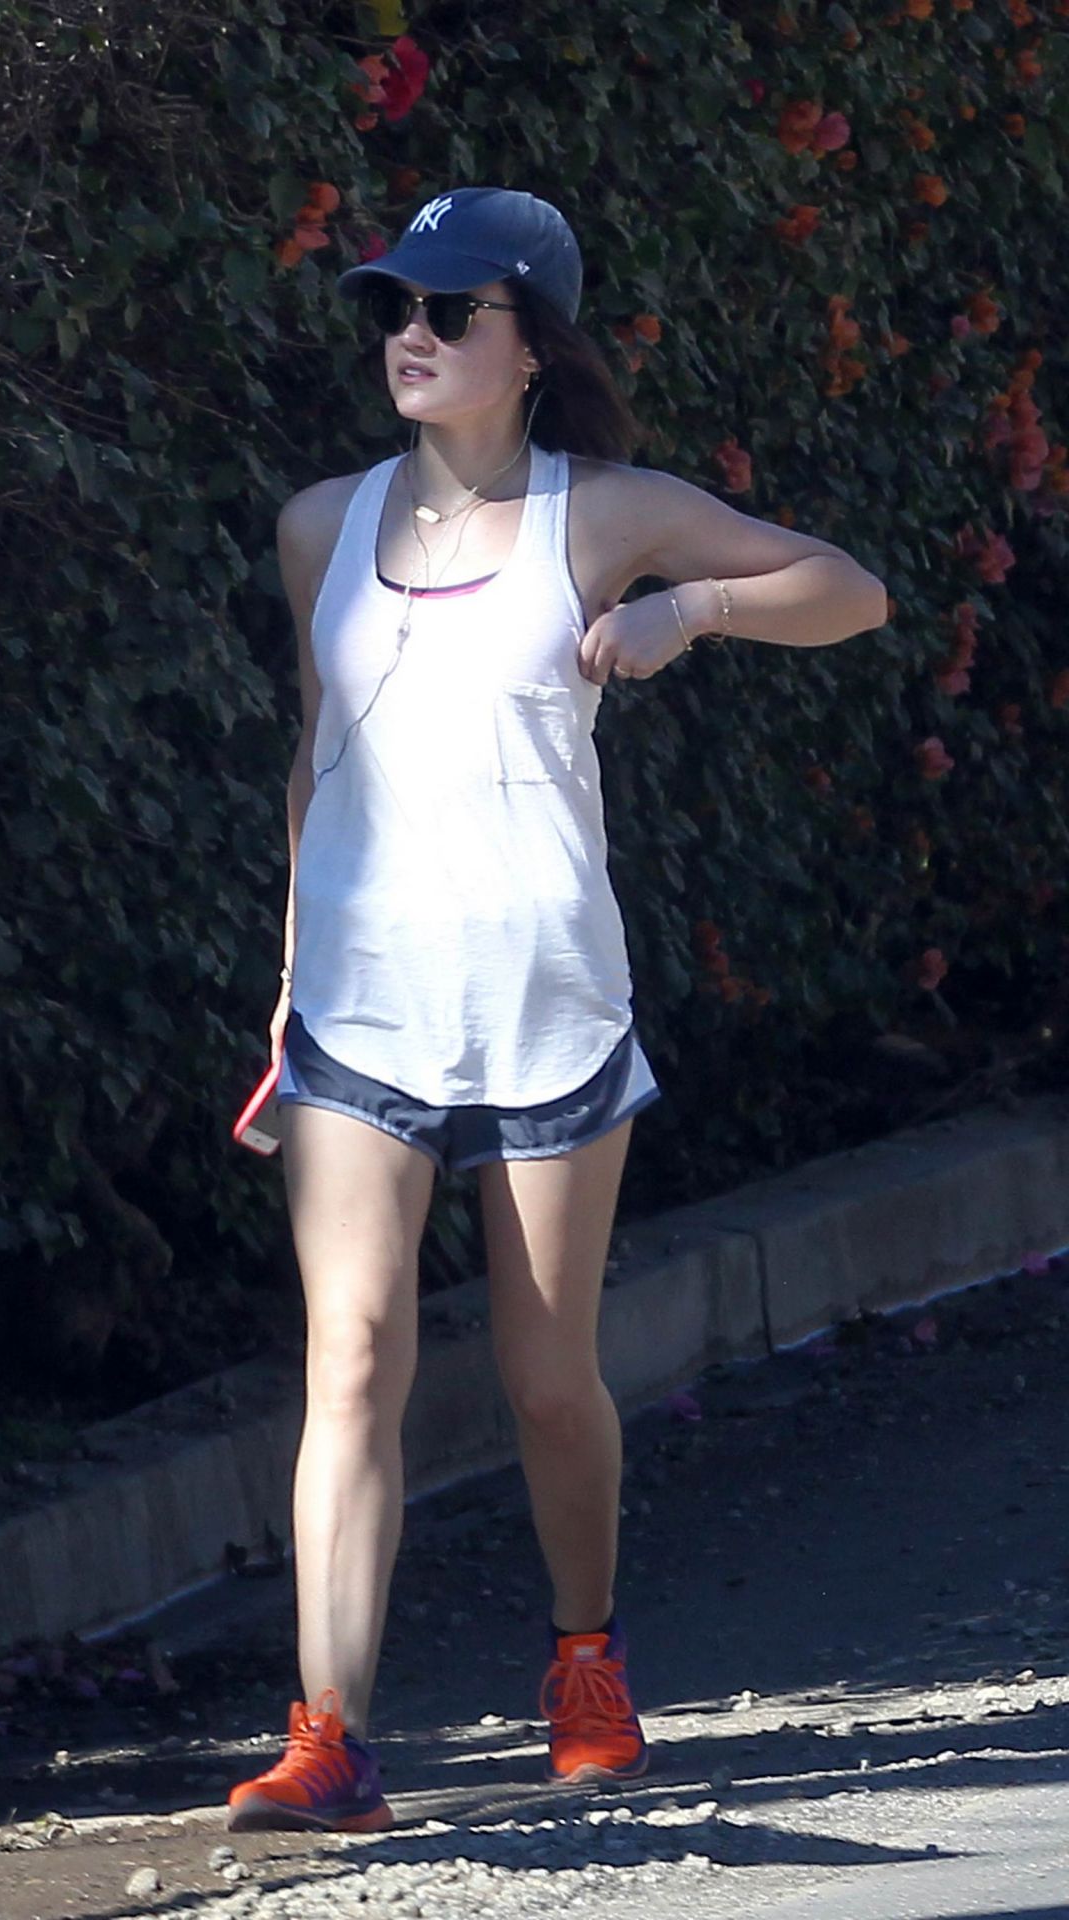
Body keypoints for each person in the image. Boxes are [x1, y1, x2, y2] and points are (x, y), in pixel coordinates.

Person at [227, 187, 887, 1834]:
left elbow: (850, 588)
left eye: (452, 311)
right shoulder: (320, 525)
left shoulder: (605, 513)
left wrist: (690, 608)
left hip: (548, 1005)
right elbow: (318, 756)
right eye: (394, 307)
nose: (412, 335)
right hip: (358, 1019)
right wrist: (293, 981)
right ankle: (330, 1740)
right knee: (352, 1356)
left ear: (531, 345)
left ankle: (585, 1659)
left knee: (545, 1377)